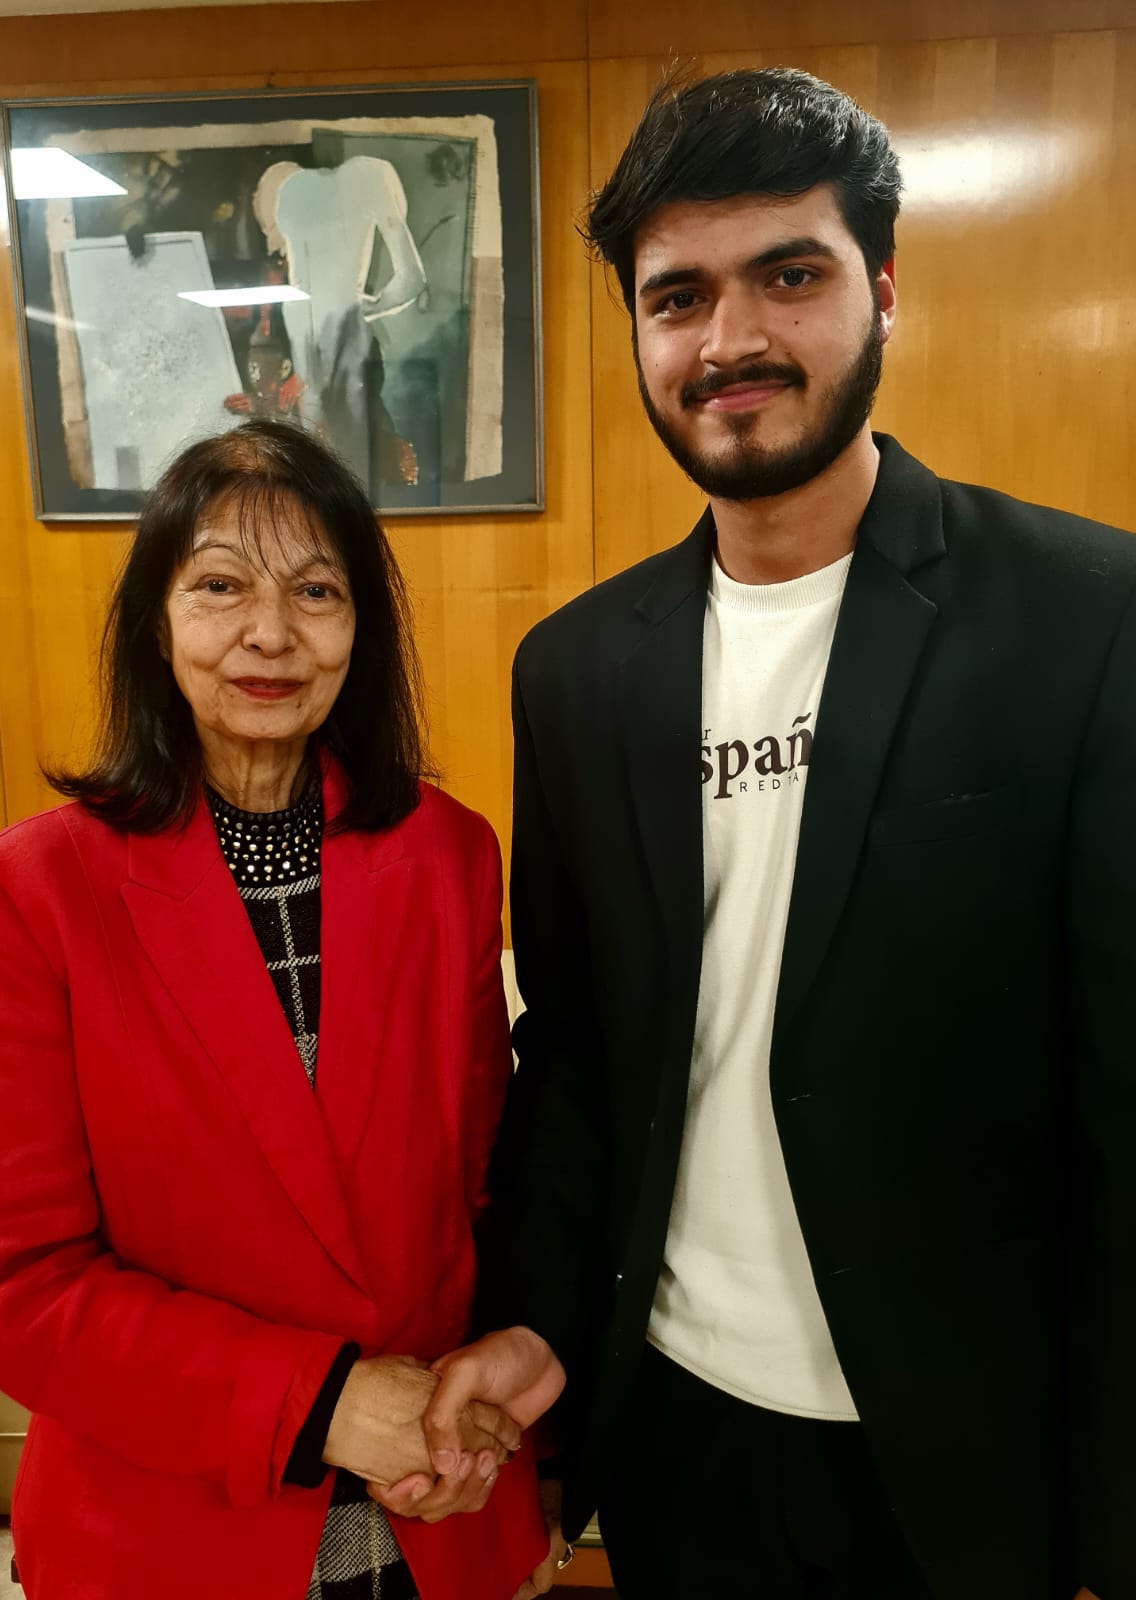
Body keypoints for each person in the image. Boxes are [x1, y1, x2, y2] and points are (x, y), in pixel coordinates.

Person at [407, 67, 1135, 1600]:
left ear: (884, 289)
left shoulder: (1085, 617)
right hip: (682, 1426)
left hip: (976, 1443)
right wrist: (539, 1321)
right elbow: (579, 1052)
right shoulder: (579, 672)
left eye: (789, 276)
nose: (728, 339)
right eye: (677, 297)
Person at [0, 417, 558, 1600]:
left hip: (436, 1509)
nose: (270, 632)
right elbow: (11, 1283)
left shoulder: (449, 856)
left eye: (316, 590)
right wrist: (317, 1402)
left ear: (361, 629)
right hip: (169, 1535)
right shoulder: (21, 897)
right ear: (155, 622)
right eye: (220, 585)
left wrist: (498, 1407)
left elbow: (486, 1183)